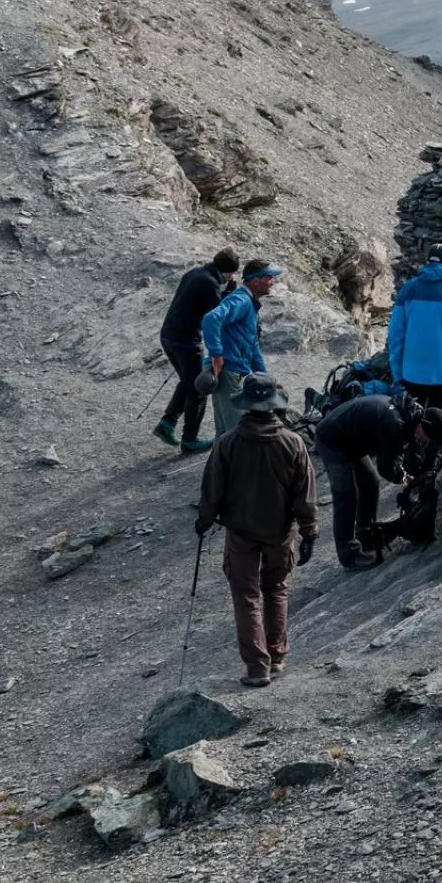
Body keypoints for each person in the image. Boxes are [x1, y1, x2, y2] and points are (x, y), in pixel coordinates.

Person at [194, 373, 318, 687]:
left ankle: (256, 668)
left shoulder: (228, 443)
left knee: (246, 596)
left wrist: (204, 522)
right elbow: (305, 494)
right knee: (275, 589)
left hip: (241, 532)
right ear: (275, 406)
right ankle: (277, 657)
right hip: (280, 532)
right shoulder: (294, 443)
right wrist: (309, 532)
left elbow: (212, 490)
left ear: (247, 406)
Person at [315, 393, 442, 570]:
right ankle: (349, 555)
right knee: (346, 494)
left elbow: (404, 449)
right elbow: (386, 466)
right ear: (423, 427)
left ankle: (366, 534)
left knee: (370, 481)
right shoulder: (394, 422)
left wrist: (413, 471)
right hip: (332, 440)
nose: (426, 441)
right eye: (427, 436)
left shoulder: (414, 415)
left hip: (354, 439)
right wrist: (402, 477)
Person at [155, 247, 239, 453]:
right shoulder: (209, 283)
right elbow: (217, 315)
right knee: (199, 389)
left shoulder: (194, 273)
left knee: (188, 380)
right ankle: (189, 440)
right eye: (231, 274)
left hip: (168, 336)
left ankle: (167, 423)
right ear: (227, 272)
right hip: (186, 341)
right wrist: (229, 292)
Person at [386, 243, 442, 412]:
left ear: (427, 262)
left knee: (409, 424)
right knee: (437, 426)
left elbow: (395, 335)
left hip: (411, 372)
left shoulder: (409, 289)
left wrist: (397, 372)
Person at [201, 259, 282, 437]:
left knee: (226, 432)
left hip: (234, 372)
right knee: (236, 432)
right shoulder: (241, 300)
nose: (273, 282)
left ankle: (221, 463)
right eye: (269, 277)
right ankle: (234, 464)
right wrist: (216, 354)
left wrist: (266, 378)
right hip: (229, 373)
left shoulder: (249, 303)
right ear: (255, 281)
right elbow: (211, 319)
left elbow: (252, 346)